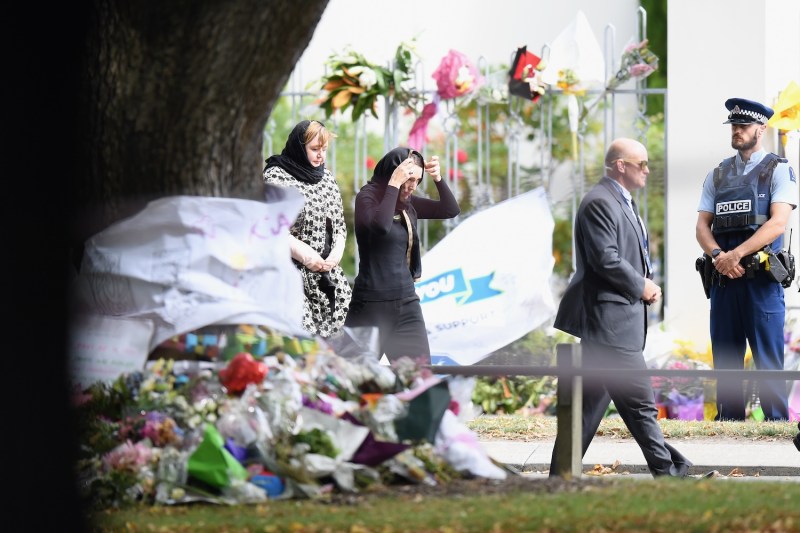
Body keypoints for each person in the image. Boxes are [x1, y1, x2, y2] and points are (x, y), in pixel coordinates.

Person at [550, 138, 693, 478]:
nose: (647, 169)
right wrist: (641, 285)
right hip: (610, 325)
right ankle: (670, 473)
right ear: (620, 166)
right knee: (642, 405)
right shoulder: (599, 202)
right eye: (640, 163)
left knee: (585, 411)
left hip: (615, 324)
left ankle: (558, 480)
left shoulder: (621, 201)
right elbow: (605, 259)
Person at [695, 97, 797, 421]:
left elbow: (778, 222)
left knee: (768, 362)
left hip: (761, 283)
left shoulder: (779, 170)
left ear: (761, 129)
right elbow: (701, 225)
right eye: (734, 126)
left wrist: (736, 254)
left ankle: (777, 427)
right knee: (725, 361)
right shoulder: (718, 174)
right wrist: (718, 255)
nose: (737, 131)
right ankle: (729, 426)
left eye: (744, 126)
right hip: (725, 281)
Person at [345, 147, 460, 364]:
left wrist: (437, 178)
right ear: (393, 173)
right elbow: (381, 226)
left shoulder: (407, 204)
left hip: (406, 305)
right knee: (351, 380)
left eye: (417, 180)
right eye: (408, 178)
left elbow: (449, 210)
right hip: (370, 307)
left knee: (421, 380)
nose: (412, 186)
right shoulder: (366, 198)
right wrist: (394, 184)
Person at [263, 119, 352, 338]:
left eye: (324, 149)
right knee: (301, 341)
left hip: (326, 274)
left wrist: (336, 252)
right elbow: (270, 226)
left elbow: (339, 225)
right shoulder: (276, 177)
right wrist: (303, 253)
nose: (320, 155)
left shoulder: (327, 178)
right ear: (299, 147)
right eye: (314, 149)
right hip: (289, 273)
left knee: (340, 344)